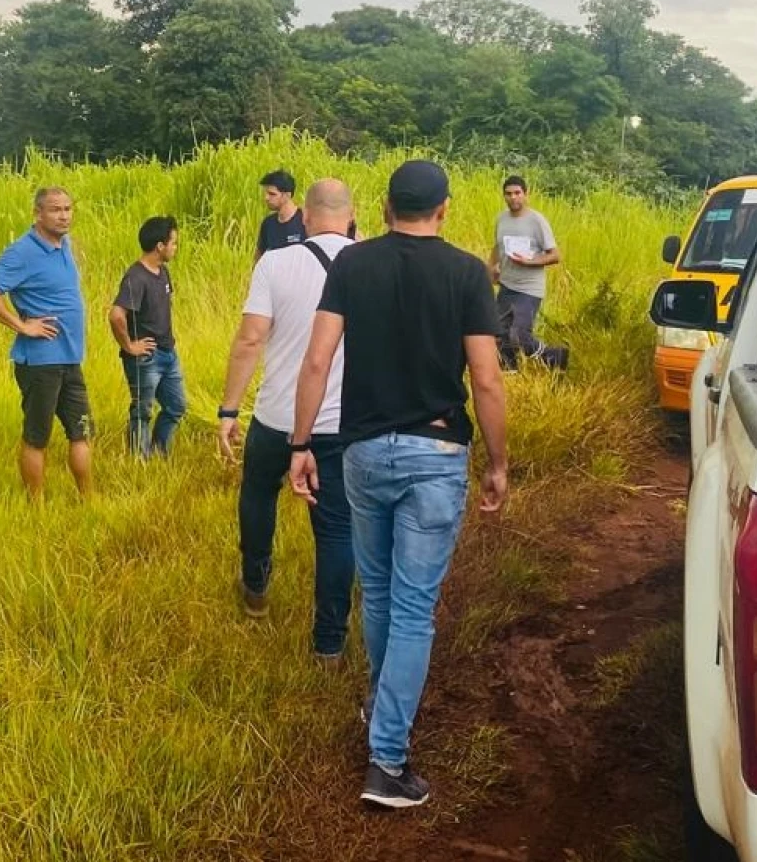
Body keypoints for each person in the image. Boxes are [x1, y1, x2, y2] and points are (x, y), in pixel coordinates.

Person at [290, 159, 509, 810]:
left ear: (384, 208)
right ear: (443, 210)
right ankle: (387, 761)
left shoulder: (353, 265)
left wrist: (302, 444)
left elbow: (318, 359)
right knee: (412, 607)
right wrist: (498, 462)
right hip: (435, 454)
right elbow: (488, 379)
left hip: (360, 452)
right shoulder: (468, 273)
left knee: (381, 595)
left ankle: (380, 707)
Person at [218, 178, 357, 665]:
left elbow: (250, 340)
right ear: (352, 215)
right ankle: (329, 642)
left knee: (258, 493)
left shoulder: (275, 262)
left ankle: (255, 587)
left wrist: (229, 409)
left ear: (306, 216)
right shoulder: (369, 263)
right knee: (337, 529)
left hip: (277, 416)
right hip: (340, 421)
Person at [0, 186, 92, 500]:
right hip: (40, 362)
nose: (64, 215)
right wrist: (22, 325)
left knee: (81, 431)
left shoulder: (64, 244)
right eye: (55, 209)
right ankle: (36, 506)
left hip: (70, 358)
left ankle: (88, 499)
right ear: (38, 213)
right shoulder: (22, 252)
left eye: (68, 208)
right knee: (37, 437)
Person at [111, 215, 187, 458]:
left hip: (168, 352)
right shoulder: (136, 277)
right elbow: (116, 315)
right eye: (173, 243)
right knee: (142, 411)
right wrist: (130, 346)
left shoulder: (162, 272)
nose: (176, 248)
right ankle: (139, 460)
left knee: (176, 406)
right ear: (160, 246)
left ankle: (159, 452)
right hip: (146, 357)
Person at [488, 175, 562, 370]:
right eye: (508, 194)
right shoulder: (501, 219)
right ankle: (509, 372)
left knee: (519, 335)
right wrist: (491, 268)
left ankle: (555, 357)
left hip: (529, 288)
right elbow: (497, 246)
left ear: (526, 194)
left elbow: (555, 255)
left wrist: (530, 261)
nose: (513, 198)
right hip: (506, 284)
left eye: (517, 193)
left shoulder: (536, 221)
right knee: (500, 333)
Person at [257, 170, 307, 260]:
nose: (266, 198)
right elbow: (259, 256)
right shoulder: (268, 223)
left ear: (287, 196)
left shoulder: (305, 220)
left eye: (272, 194)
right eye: (266, 193)